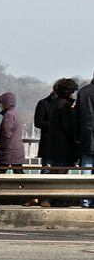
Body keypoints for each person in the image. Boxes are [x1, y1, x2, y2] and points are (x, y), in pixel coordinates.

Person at [47, 78, 79, 206]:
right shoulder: (65, 106)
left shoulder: (56, 103)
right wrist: (76, 139)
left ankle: (55, 198)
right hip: (64, 147)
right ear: (70, 91)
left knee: (56, 171)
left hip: (54, 145)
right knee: (62, 172)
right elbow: (69, 126)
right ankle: (59, 198)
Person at [27, 81, 59, 206]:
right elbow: (38, 122)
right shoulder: (44, 103)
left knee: (59, 171)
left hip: (60, 145)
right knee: (47, 170)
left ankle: (56, 198)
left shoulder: (66, 104)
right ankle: (44, 198)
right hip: (48, 143)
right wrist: (54, 125)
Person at [74, 73, 94, 208]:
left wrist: (77, 136)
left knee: (86, 168)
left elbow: (77, 116)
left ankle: (85, 200)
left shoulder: (84, 92)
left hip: (87, 134)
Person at [0, 92, 25, 174]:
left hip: (8, 148)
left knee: (0, 171)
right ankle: (24, 186)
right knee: (18, 170)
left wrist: (1, 145)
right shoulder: (15, 113)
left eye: (0, 103)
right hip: (16, 149)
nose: (0, 106)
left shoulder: (8, 115)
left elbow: (6, 131)